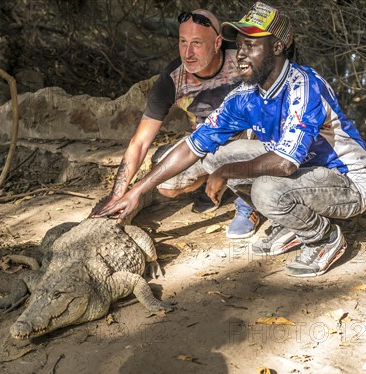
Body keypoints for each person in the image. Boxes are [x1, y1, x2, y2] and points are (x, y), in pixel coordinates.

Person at [95, 1, 366, 278]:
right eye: (240, 45)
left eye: (251, 46)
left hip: (347, 180)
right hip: (305, 173)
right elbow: (194, 146)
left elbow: (285, 164)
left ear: (277, 48)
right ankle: (292, 222)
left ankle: (324, 238)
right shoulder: (245, 94)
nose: (240, 54)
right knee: (218, 155)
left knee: (265, 189)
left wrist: (227, 172)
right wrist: (136, 192)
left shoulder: (303, 84)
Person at [91, 9, 261, 239]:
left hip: (248, 140)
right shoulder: (173, 77)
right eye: (183, 42)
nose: (188, 53)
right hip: (203, 143)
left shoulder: (241, 59)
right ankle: (217, 181)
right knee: (165, 184)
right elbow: (140, 141)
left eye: (197, 43)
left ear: (217, 42)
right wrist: (117, 195)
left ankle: (247, 202)